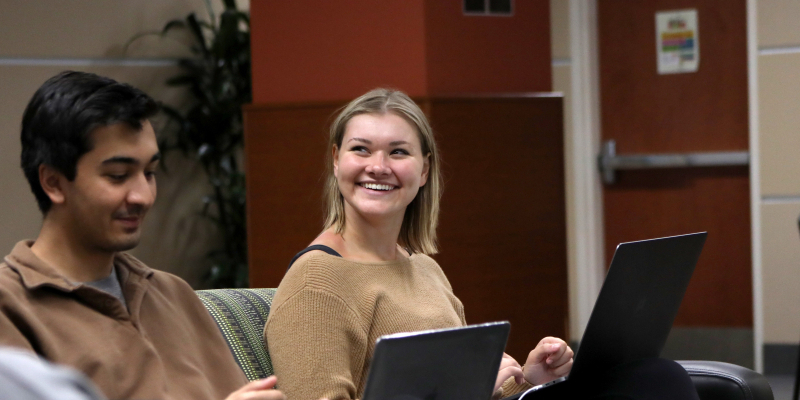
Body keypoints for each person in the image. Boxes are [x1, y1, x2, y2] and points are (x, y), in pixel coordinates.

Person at [264, 88, 702, 400]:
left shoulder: (424, 268)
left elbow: (473, 387)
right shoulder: (316, 283)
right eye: (361, 149)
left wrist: (525, 380)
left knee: (654, 376)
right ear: (337, 159)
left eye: (398, 152)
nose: (378, 167)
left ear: (425, 169)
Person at [0, 71, 287, 400]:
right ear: (53, 182)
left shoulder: (172, 294)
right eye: (118, 176)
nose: (143, 196)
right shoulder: (11, 307)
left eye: (149, 173)